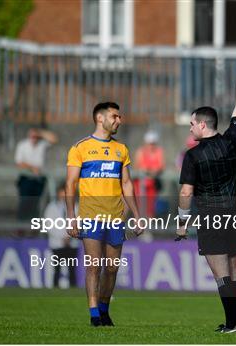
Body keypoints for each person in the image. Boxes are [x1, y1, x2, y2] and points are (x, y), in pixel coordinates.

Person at [176, 53, 236, 334]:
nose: (191, 127)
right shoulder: (233, 139)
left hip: (210, 216)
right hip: (233, 213)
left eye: (193, 123)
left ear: (203, 125)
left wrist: (182, 222)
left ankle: (232, 324)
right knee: (234, 269)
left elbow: (186, 191)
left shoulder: (193, 155)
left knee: (221, 273)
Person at [65, 102, 142, 327]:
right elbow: (70, 184)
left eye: (119, 116)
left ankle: (104, 308)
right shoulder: (80, 148)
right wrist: (71, 217)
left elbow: (127, 184)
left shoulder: (121, 149)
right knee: (94, 265)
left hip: (115, 217)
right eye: (115, 116)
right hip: (90, 216)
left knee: (111, 268)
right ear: (100, 118)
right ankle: (94, 315)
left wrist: (137, 215)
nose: (119, 120)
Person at [15, 128, 58, 223]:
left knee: (36, 204)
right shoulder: (23, 145)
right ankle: (20, 227)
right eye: (32, 136)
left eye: (36, 136)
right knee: (24, 203)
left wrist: (41, 133)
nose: (34, 138)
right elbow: (19, 162)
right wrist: (32, 168)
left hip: (39, 179)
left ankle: (33, 230)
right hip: (26, 179)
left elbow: (54, 139)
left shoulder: (42, 144)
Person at [45, 183, 79, 288]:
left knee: (72, 269)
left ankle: (73, 289)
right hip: (57, 243)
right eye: (62, 192)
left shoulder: (76, 206)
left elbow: (80, 222)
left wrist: (69, 236)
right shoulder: (51, 207)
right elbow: (48, 225)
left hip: (72, 243)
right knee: (57, 269)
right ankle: (55, 289)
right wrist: (62, 237)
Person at [134, 130, 165, 217]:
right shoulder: (141, 151)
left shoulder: (159, 151)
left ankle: (148, 228)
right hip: (140, 185)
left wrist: (150, 171)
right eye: (150, 143)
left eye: (153, 143)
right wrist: (149, 170)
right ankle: (140, 227)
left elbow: (161, 166)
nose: (151, 145)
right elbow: (138, 167)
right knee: (140, 207)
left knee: (150, 208)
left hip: (152, 185)